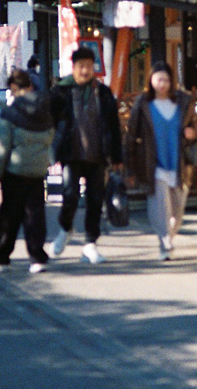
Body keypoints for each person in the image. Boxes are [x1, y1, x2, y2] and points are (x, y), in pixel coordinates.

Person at [49, 46, 122, 264]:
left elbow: (114, 126)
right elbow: (49, 124)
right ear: (73, 67)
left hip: (98, 155)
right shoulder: (61, 92)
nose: (85, 70)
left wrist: (117, 157)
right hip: (71, 154)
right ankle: (65, 228)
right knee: (70, 195)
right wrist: (50, 153)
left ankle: (90, 244)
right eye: (81, 66)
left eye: (89, 66)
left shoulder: (103, 92)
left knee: (95, 200)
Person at [124, 62, 197, 260]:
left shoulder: (183, 102)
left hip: (179, 164)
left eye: (166, 79)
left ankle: (168, 238)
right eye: (159, 79)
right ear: (151, 80)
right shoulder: (143, 104)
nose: (162, 83)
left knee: (177, 210)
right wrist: (129, 168)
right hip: (152, 163)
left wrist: (193, 132)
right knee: (159, 207)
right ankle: (164, 241)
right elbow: (131, 135)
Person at [0, 69, 55, 273]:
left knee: (9, 215)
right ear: (30, 86)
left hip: (15, 171)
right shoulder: (44, 110)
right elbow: (50, 138)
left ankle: (1, 256)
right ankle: (37, 257)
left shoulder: (10, 113)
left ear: (13, 88)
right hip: (38, 170)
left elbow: (1, 146)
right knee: (35, 215)